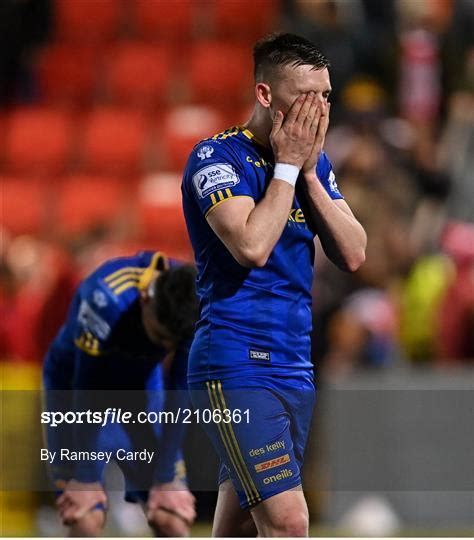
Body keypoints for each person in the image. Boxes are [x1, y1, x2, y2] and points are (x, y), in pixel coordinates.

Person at [181, 33, 367, 537]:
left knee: (239, 525)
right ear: (266, 95)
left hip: (294, 362)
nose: (320, 110)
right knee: (288, 521)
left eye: (326, 96)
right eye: (307, 96)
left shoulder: (314, 168)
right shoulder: (216, 158)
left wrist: (307, 174)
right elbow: (252, 246)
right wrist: (287, 166)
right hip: (236, 358)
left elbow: (353, 252)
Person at [42, 250, 198, 537]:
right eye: (160, 337)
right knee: (84, 517)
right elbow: (88, 385)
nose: (165, 347)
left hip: (139, 389)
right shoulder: (105, 296)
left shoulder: (194, 300)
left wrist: (165, 479)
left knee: (170, 516)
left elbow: (180, 389)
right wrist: (86, 477)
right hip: (74, 388)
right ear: (145, 300)